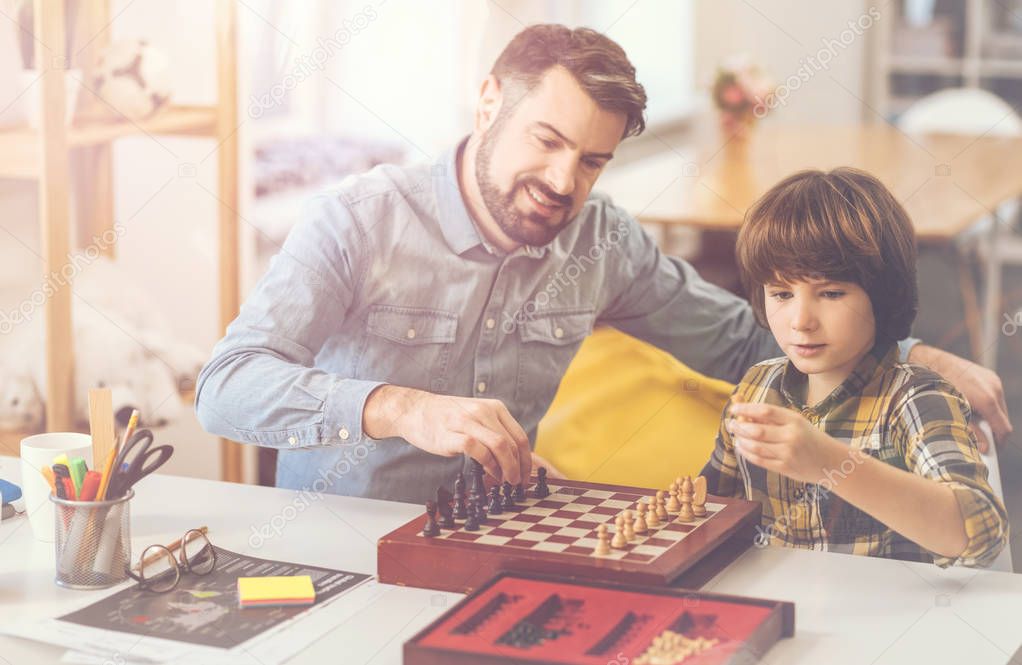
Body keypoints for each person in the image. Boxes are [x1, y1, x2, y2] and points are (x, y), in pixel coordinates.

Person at [195, 24, 1012, 504]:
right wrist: (403, 407)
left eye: (591, 161)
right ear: (489, 103)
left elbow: (739, 343)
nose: (562, 183)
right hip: (342, 550)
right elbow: (225, 386)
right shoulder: (359, 220)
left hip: (507, 531)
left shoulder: (602, 241)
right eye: (546, 142)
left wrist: (910, 355)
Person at [701, 168, 1008, 567]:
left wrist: (829, 462)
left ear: (883, 296)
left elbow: (978, 533)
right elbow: (717, 503)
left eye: (830, 293)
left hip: (887, 622)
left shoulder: (916, 399)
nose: (801, 320)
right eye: (781, 293)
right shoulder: (757, 386)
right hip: (780, 607)